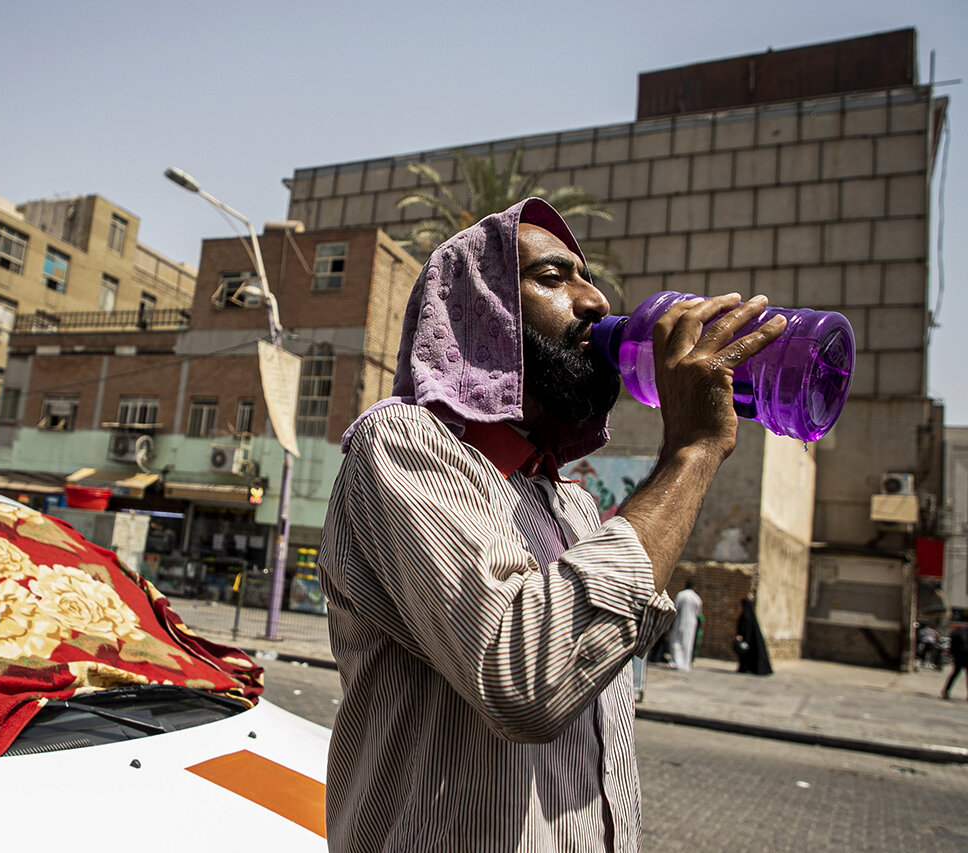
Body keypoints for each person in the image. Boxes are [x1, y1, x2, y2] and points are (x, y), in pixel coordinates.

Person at [318, 198, 785, 851]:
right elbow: (528, 677)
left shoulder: (574, 506)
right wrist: (692, 452)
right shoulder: (402, 445)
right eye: (552, 277)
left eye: (589, 277)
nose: (594, 300)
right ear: (483, 314)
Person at [734, 595, 773, 675]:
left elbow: (745, 629)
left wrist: (742, 637)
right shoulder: (751, 616)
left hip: (747, 640)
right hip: (752, 641)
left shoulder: (746, 616)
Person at [669, 580, 702, 672]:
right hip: (692, 624)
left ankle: (675, 663)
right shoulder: (697, 598)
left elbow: (675, 608)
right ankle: (685, 664)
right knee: (688, 644)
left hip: (680, 621)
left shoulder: (681, 595)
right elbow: (699, 612)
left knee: (676, 642)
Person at [942, 625, 968, 700]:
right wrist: (953, 654)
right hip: (960, 657)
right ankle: (946, 691)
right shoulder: (960, 632)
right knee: (955, 674)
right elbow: (954, 644)